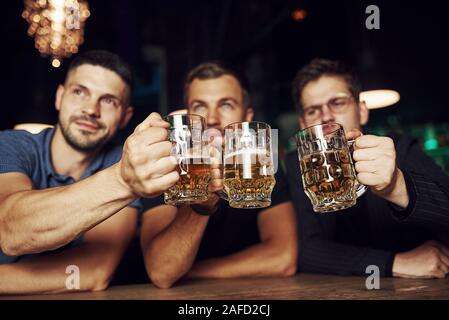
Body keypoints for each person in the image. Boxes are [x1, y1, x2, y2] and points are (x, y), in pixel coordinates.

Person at [0, 50, 179, 294]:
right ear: (59, 97)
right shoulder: (12, 145)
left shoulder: (125, 160)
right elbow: (11, 230)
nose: (91, 109)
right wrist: (123, 180)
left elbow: (95, 271)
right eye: (79, 92)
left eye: (108, 101)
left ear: (125, 116)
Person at [287, 58, 449, 279]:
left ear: (362, 111)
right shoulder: (300, 167)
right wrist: (394, 263)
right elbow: (307, 251)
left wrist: (397, 186)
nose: (326, 116)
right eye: (313, 111)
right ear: (303, 125)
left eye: (338, 102)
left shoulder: (398, 148)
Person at [141, 62, 298, 288]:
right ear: (187, 115)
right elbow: (162, 271)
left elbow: (284, 258)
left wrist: (191, 271)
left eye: (226, 105)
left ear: (247, 115)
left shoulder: (262, 164)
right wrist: (201, 205)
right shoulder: (166, 165)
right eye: (200, 106)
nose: (212, 118)